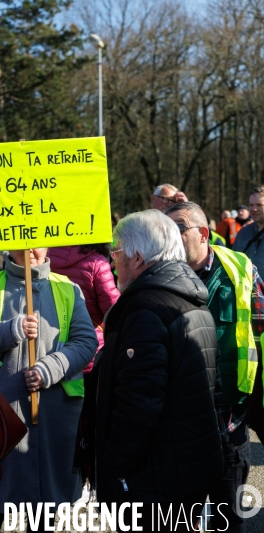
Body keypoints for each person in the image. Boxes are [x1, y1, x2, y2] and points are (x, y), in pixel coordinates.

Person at [77, 210, 223, 532]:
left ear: (138, 258)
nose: (112, 263)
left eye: (116, 253)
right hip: (186, 468)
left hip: (154, 480)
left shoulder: (146, 311)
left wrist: (113, 467)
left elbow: (138, 407)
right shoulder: (192, 299)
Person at [0, 248, 98, 533]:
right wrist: (11, 329)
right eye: (24, 242)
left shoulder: (68, 288)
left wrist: (49, 369)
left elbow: (86, 341)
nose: (31, 250)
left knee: (43, 516)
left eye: (38, 242)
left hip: (52, 421)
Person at [166, 201, 264, 533]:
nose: (171, 236)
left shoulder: (239, 266)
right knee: (179, 521)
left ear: (203, 233)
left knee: (229, 517)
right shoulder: (158, 275)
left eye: (178, 227)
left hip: (230, 419)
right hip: (178, 422)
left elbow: (262, 325)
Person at [48, 243, 120, 375]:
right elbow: (115, 312)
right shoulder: (97, 263)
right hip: (90, 349)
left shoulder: (46, 256)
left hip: (53, 346)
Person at [233, 187, 264, 279]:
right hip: (247, 291)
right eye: (251, 205)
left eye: (259, 205)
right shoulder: (243, 232)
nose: (254, 209)